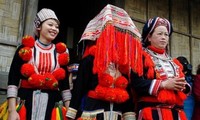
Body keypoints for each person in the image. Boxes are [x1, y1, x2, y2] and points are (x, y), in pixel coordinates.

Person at [66, 4, 143, 120]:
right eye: (112, 33)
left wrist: (130, 116)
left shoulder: (122, 65)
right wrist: (71, 114)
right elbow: (79, 89)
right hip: (93, 113)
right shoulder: (90, 60)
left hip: (117, 114)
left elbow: (127, 96)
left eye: (119, 34)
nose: (115, 38)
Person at [7, 8, 71, 120]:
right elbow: (13, 79)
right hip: (26, 102)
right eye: (50, 24)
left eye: (57, 27)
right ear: (39, 26)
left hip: (51, 105)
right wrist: (12, 110)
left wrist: (69, 112)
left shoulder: (61, 53)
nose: (54, 29)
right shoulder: (25, 49)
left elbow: (64, 86)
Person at [131, 17, 191, 120]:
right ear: (149, 37)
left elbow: (184, 87)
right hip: (152, 113)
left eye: (166, 34)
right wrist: (163, 84)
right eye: (159, 34)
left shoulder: (174, 62)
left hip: (175, 113)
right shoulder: (141, 57)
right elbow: (136, 83)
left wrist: (182, 86)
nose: (163, 37)